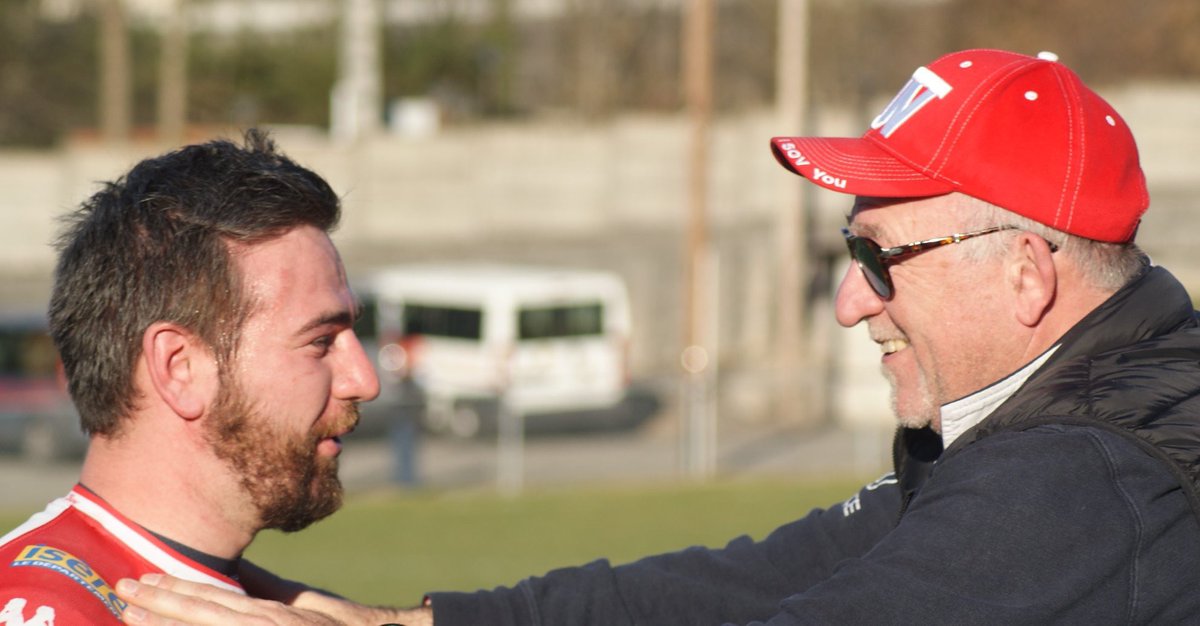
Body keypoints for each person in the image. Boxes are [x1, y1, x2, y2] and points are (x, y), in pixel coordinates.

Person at [114, 48, 1200, 624]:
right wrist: (422, 622)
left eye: (881, 260)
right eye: (846, 255)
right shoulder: (1032, 423)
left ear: (1023, 274)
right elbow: (755, 581)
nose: (851, 302)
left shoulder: (1079, 477)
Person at [0, 130, 380, 624]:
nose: (364, 380)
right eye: (320, 341)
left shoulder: (264, 606)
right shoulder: (42, 606)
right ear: (179, 367)